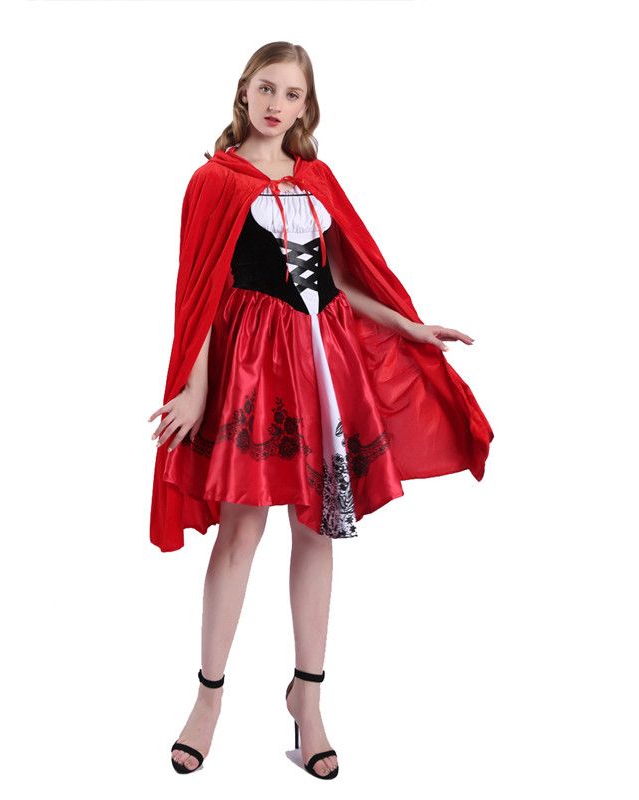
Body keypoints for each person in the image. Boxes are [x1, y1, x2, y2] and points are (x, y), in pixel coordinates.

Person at [147, 41, 493, 779]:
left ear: (307, 105)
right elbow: (197, 291)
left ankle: (307, 699)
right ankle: (208, 699)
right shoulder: (213, 181)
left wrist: (407, 325)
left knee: (316, 527)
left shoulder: (317, 178)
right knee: (241, 530)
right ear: (244, 92)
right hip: (252, 364)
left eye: (293, 94)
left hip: (321, 363)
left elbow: (341, 279)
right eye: (267, 88)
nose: (277, 104)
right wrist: (196, 387)